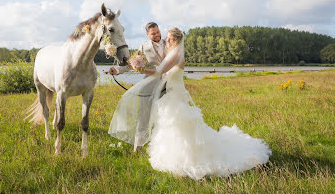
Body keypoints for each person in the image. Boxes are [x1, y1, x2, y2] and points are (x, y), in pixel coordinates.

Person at [110, 27, 271, 180]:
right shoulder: (171, 53)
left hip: (176, 97)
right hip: (171, 94)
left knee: (180, 126)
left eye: (168, 38)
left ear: (174, 40)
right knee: (171, 126)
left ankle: (187, 158)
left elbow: (158, 72)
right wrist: (133, 66)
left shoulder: (175, 56)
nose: (166, 40)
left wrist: (140, 69)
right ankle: (171, 155)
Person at [108, 22, 166, 151]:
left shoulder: (169, 44)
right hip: (149, 86)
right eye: (153, 33)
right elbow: (131, 64)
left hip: (168, 86)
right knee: (143, 117)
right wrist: (117, 70)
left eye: (158, 32)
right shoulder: (144, 47)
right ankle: (138, 148)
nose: (157, 35)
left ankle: (161, 148)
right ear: (147, 34)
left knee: (166, 117)